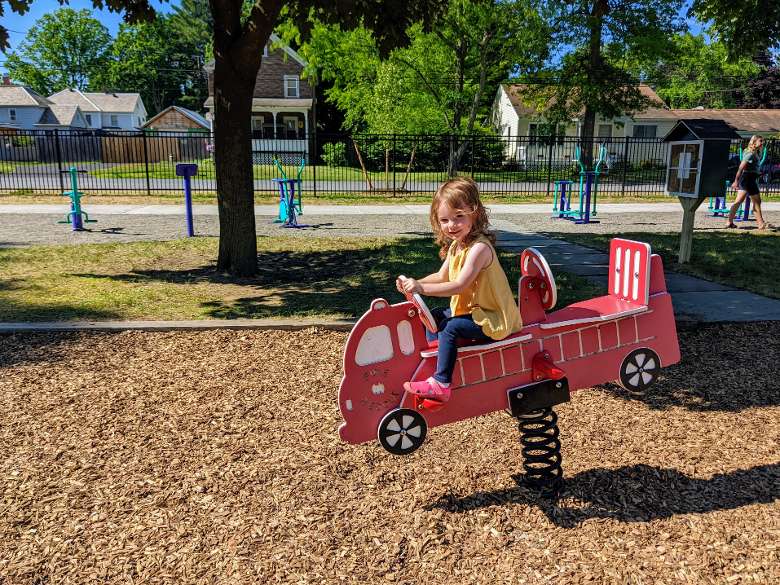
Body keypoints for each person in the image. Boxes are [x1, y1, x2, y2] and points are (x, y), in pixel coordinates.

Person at [396, 177, 521, 403]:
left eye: (458, 217)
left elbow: (459, 285)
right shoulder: (457, 244)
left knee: (450, 328)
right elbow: (442, 276)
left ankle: (442, 383)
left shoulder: (480, 248)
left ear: (475, 213)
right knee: (435, 316)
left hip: (491, 317)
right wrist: (415, 283)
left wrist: (421, 287)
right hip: (473, 312)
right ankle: (437, 361)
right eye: (445, 220)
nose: (451, 225)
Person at [728, 135, 771, 230]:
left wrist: (758, 173)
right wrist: (736, 181)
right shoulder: (750, 153)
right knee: (756, 201)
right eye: (760, 141)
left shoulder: (753, 152)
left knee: (739, 201)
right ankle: (761, 224)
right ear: (754, 142)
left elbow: (750, 167)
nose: (762, 143)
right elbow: (741, 167)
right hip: (748, 179)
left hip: (749, 178)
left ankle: (729, 222)